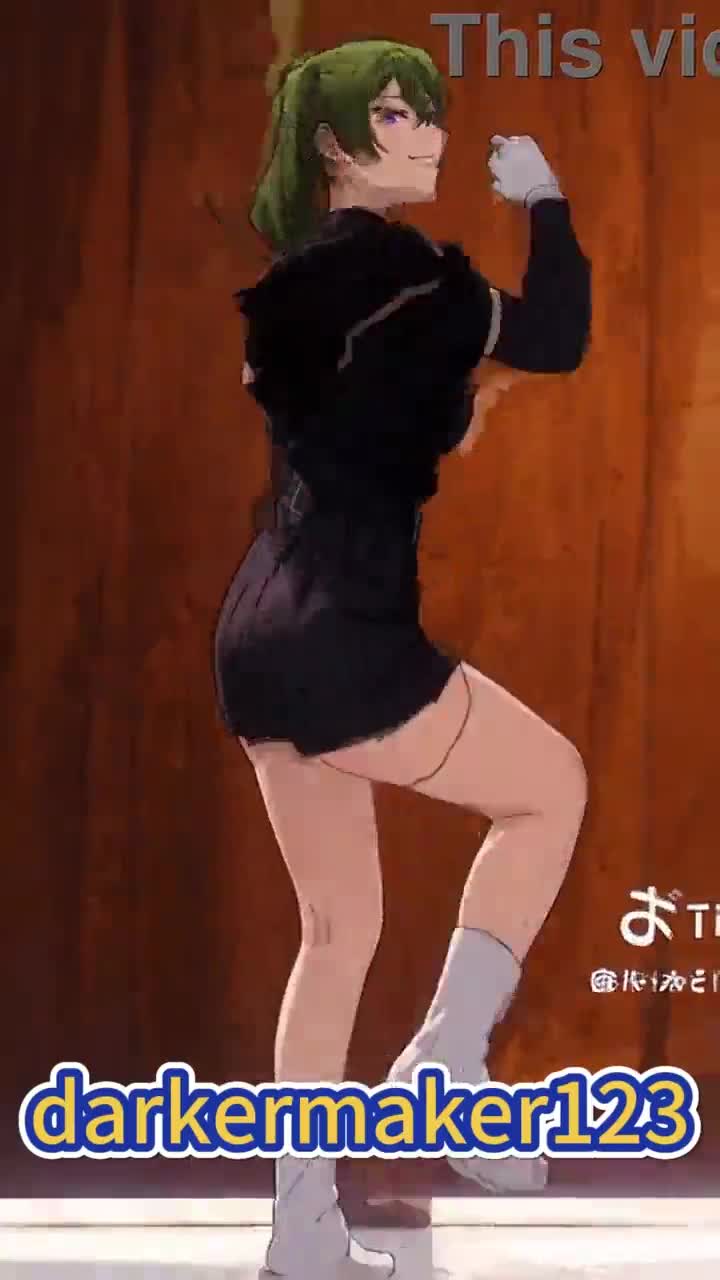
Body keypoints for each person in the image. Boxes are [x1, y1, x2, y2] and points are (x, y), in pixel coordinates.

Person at [213, 37, 591, 1280]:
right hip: (346, 634)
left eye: (429, 113)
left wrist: (443, 415)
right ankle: (444, 1060)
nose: (429, 135)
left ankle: (301, 1232)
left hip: (259, 629)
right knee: (550, 787)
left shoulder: (290, 285)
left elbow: (340, 416)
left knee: (336, 930)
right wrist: (546, 203)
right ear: (332, 144)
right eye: (395, 115)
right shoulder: (421, 276)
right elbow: (556, 336)